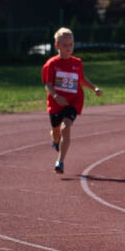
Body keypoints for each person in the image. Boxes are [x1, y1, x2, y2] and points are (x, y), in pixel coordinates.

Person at [41, 27, 101, 175]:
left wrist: (94, 88)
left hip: (73, 102)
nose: (68, 48)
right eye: (65, 45)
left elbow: (81, 79)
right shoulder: (51, 64)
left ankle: (60, 161)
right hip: (56, 103)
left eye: (71, 45)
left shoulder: (77, 63)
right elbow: (48, 85)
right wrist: (56, 96)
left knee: (65, 127)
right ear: (57, 46)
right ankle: (55, 141)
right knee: (56, 132)